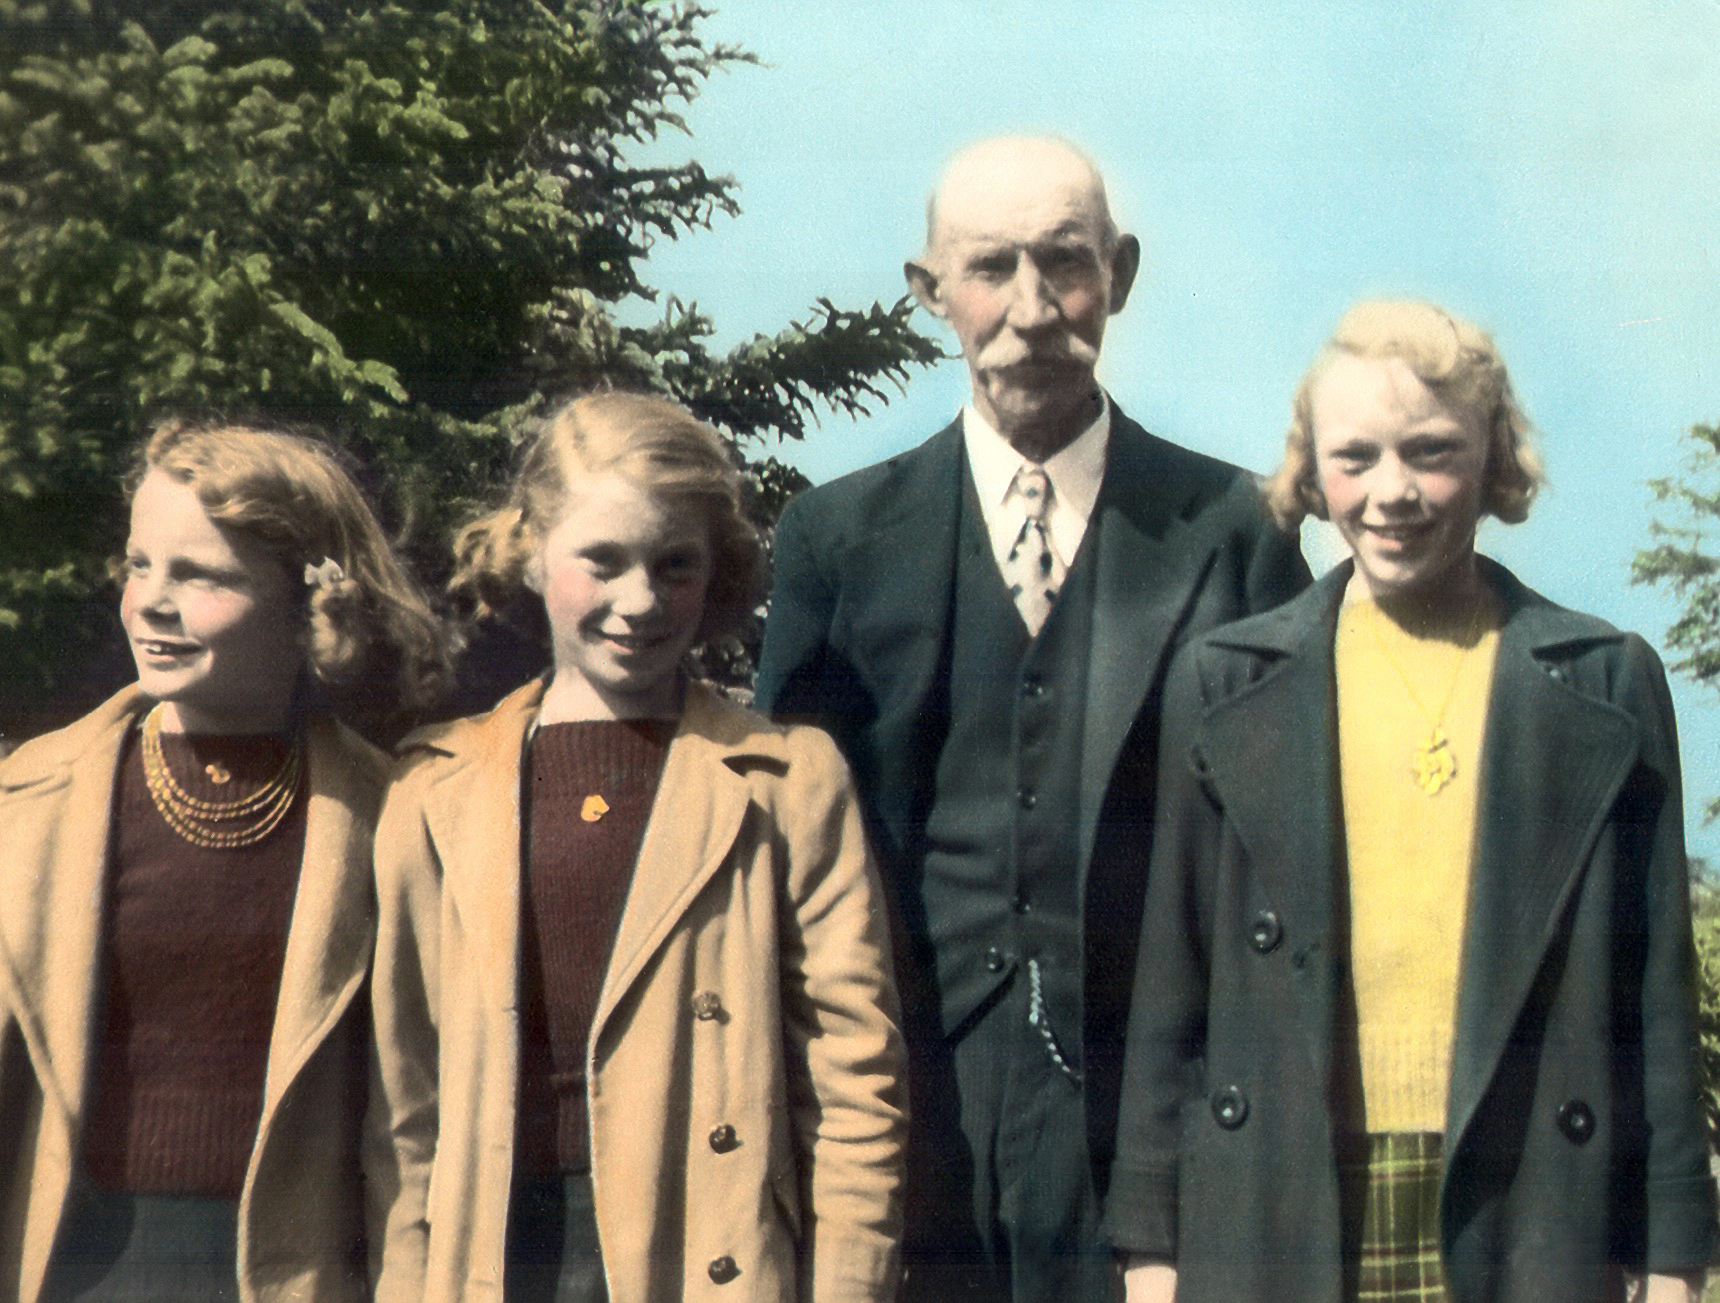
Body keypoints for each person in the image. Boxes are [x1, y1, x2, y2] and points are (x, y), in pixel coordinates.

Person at [755, 134, 1310, 1301]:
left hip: (1151, 1126)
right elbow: (786, 862)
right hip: (911, 1119)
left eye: (1064, 262)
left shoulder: (1233, 529)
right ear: (929, 292)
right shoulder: (836, 540)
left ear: (1120, 274)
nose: (1030, 305)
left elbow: (1286, 860)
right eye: (989, 267)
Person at [1107, 299, 1718, 1302]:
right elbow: (1171, 989)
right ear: (1311, 470)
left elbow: (1650, 995)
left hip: (1528, 1200)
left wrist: (1669, 1257)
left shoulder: (1602, 682)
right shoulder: (1224, 682)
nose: (1392, 492)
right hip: (1280, 1201)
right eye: (1355, 457)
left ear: (1491, 459)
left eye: (1430, 452)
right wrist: (1150, 1249)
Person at [366, 391, 907, 1303]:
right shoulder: (435, 788)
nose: (640, 601)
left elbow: (855, 1085)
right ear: (534, 553)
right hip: (496, 1251)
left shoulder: (784, 782)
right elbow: (402, 1102)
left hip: (702, 1248)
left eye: (675, 564)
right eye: (603, 562)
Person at [0, 420, 448, 1302]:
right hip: (63, 1257)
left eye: (201, 575)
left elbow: (413, 1120)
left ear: (304, 605)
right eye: (140, 565)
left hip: (287, 1269)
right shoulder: (30, 798)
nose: (152, 602)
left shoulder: (387, 815)